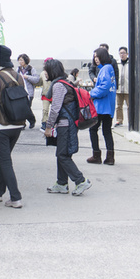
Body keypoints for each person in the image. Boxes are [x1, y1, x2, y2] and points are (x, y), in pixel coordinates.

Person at [43, 59, 92, 196]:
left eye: (46, 70)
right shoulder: (66, 83)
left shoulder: (58, 86)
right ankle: (61, 183)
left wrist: (48, 127)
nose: (44, 73)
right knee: (62, 154)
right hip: (69, 123)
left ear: (52, 71)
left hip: (65, 125)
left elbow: (55, 109)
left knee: (62, 155)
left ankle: (81, 181)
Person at [0, 46, 26, 208]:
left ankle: (15, 197)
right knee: (5, 159)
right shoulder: (18, 76)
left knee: (4, 160)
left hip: (0, 126)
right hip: (17, 124)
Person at [87, 47, 117, 165]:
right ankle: (110, 157)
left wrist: (91, 94)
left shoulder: (104, 69)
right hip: (108, 106)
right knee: (106, 131)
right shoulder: (110, 68)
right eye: (94, 57)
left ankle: (96, 154)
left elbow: (104, 87)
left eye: (97, 56)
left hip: (101, 106)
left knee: (93, 129)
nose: (96, 59)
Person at [16, 54, 39, 129]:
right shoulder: (18, 69)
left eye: (21, 60)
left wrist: (27, 77)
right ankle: (23, 123)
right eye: (19, 60)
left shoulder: (31, 69)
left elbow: (36, 79)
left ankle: (32, 120)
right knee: (21, 108)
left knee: (27, 108)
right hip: (21, 92)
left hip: (29, 92)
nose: (20, 62)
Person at [115, 46, 129, 127]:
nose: (122, 55)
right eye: (120, 53)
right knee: (118, 106)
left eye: (123, 53)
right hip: (119, 88)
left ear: (127, 54)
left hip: (128, 88)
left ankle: (131, 121)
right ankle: (119, 120)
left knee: (129, 106)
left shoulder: (130, 63)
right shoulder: (117, 63)